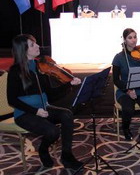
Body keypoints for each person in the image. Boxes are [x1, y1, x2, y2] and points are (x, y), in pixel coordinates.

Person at [6, 34, 83, 169]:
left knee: (67, 114)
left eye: (36, 43)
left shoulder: (40, 66)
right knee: (53, 132)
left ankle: (67, 155)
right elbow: (11, 100)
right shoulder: (15, 71)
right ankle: (43, 149)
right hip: (25, 114)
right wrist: (35, 111)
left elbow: (51, 95)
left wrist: (69, 84)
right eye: (32, 45)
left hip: (44, 109)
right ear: (23, 50)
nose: (37, 46)